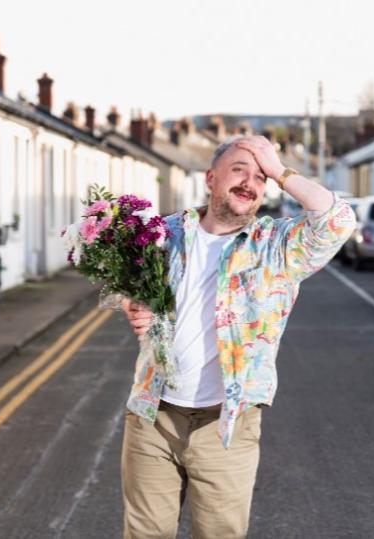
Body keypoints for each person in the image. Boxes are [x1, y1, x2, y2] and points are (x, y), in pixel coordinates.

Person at [120, 135, 356, 538]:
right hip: (152, 414)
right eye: (239, 170)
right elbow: (130, 285)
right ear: (211, 178)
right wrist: (132, 303)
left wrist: (280, 169)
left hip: (226, 423)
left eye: (259, 176)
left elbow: (338, 220)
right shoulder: (164, 234)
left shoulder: (279, 246)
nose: (250, 182)